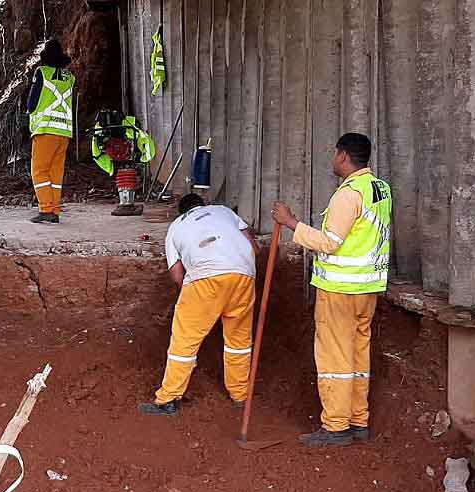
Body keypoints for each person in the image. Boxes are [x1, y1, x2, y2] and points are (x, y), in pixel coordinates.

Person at [272, 132, 392, 447]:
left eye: (334, 153)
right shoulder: (380, 189)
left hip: (340, 289)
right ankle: (357, 420)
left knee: (334, 355)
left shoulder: (347, 194)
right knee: (357, 352)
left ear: (342, 155)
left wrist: (291, 224)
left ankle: (336, 426)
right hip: (367, 288)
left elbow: (330, 243)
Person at [139, 193, 260, 416]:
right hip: (243, 275)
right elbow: (252, 245)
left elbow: (177, 274)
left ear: (181, 211)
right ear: (204, 204)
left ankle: (169, 399)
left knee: (184, 340)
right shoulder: (224, 212)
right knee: (239, 341)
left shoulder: (176, 226)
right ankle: (240, 395)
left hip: (205, 277)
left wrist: (193, 299)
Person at [27, 39, 75, 224]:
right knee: (56, 173)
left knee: (39, 170)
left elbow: (32, 103)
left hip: (45, 129)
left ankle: (46, 209)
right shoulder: (70, 78)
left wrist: (30, 112)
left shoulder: (42, 73)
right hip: (64, 132)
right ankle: (54, 210)